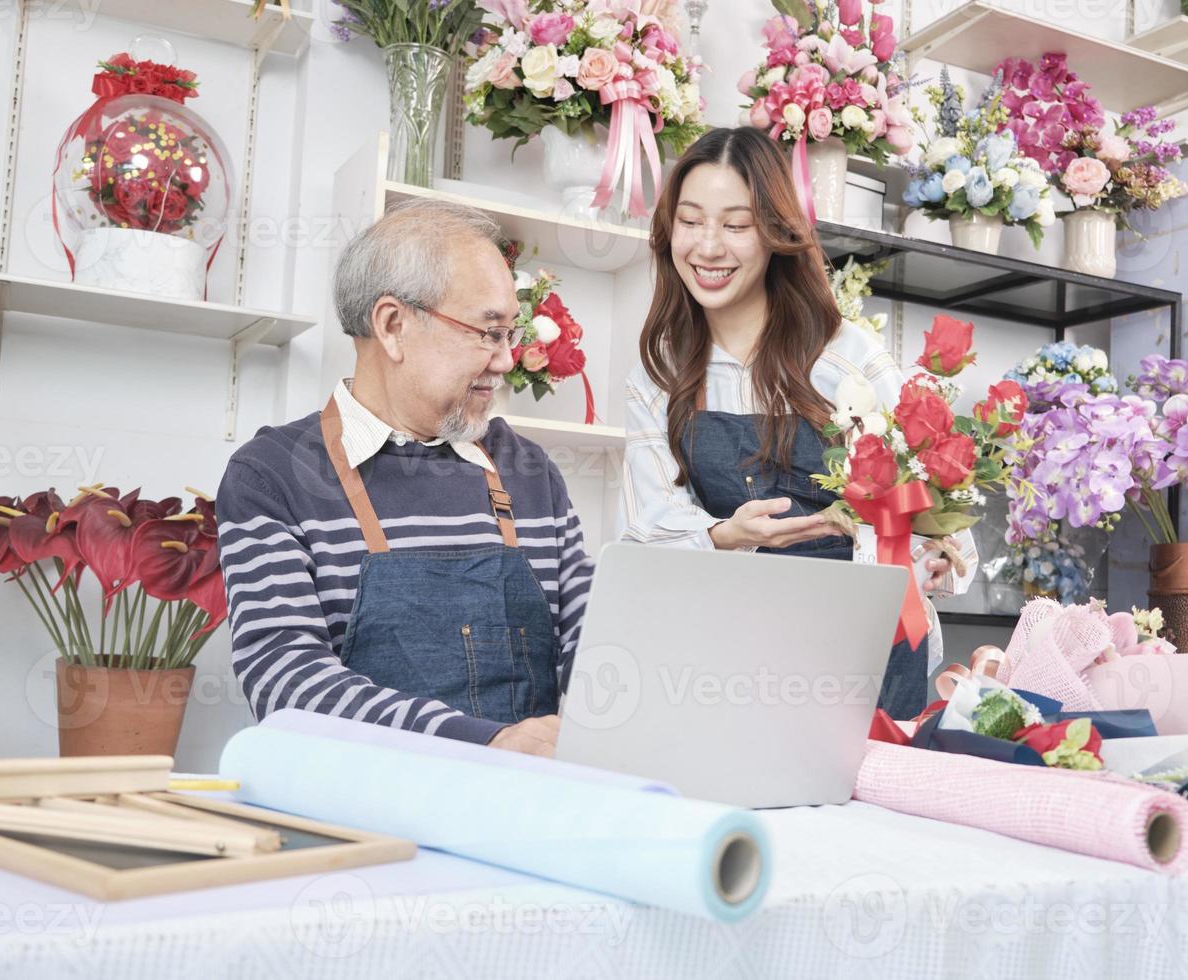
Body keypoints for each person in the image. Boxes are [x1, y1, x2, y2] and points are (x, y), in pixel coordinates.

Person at [618, 126, 975, 718]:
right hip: (728, 653)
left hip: (865, 650)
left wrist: (936, 554)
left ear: (776, 232)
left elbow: (935, 515)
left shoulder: (847, 358)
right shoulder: (659, 375)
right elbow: (647, 526)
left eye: (735, 225)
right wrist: (732, 533)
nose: (708, 247)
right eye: (690, 220)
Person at [215, 198, 593, 757]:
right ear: (393, 326)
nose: (506, 359)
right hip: (364, 819)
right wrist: (484, 743)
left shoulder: (528, 471)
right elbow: (286, 683)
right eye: (488, 333)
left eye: (510, 334)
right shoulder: (272, 477)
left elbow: (593, 645)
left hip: (523, 806)